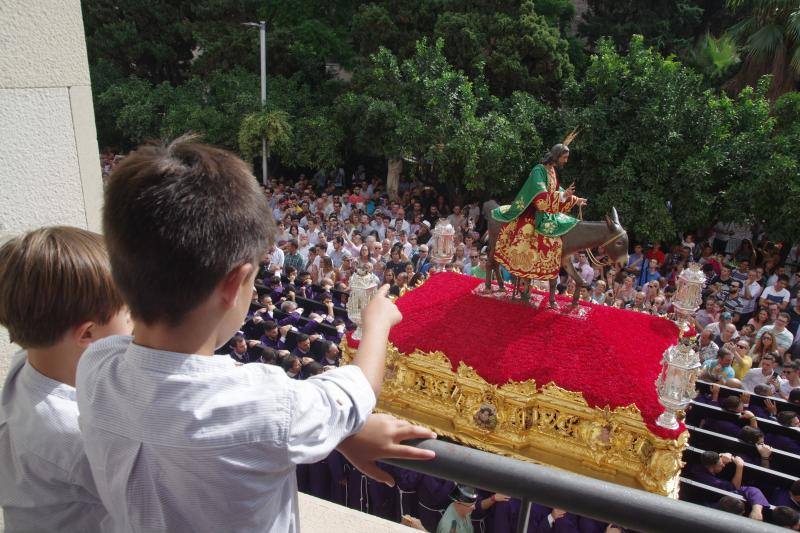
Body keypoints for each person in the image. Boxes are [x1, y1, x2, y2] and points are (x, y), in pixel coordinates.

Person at [76, 136, 436, 532]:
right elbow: (358, 389)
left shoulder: (95, 364)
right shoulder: (266, 403)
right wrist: (376, 322)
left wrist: (340, 434)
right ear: (236, 284)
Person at [0, 227, 132, 532]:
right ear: (88, 334)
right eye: (129, 315)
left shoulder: (28, 364)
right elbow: (154, 502)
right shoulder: (76, 433)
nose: (136, 323)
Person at [491, 143, 587, 280]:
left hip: (545, 211)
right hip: (531, 210)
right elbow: (540, 196)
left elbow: (557, 190)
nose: (566, 161)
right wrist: (564, 195)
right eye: (564, 157)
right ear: (556, 156)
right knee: (526, 235)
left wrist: (575, 199)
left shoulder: (552, 170)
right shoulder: (538, 170)